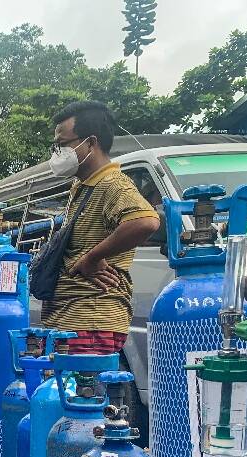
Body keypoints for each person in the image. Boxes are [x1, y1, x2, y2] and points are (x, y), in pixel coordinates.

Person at [41, 101, 160, 354]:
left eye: (63, 144)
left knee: (82, 382)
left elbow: (145, 221)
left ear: (90, 143)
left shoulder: (113, 183)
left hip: (91, 321)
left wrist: (92, 258)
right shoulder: (84, 186)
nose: (57, 152)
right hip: (71, 321)